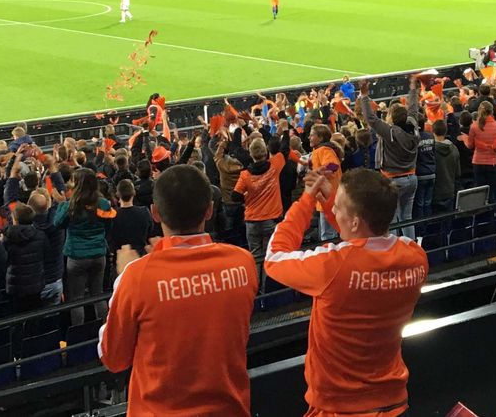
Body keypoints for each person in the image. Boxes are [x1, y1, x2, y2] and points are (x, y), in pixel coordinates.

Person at [265, 169, 428, 417]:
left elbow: (274, 257)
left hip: (339, 407)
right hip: (393, 403)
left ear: (354, 220)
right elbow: (361, 240)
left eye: (338, 208)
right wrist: (332, 199)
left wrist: (307, 200)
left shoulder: (333, 266)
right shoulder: (416, 258)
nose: (334, 212)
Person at [100, 165, 257, 417]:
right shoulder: (244, 263)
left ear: (155, 213)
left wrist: (125, 276)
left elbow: (113, 358)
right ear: (210, 209)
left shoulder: (137, 278)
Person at [360, 77, 421, 240]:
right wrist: (413, 89)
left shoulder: (391, 133)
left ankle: (393, 251)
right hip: (412, 177)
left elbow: (371, 120)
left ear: (392, 118)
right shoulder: (414, 127)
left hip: (393, 180)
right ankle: (411, 246)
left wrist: (364, 95)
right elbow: (414, 109)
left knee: (391, 220)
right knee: (407, 218)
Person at [54, 169, 114, 326]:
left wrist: (61, 203)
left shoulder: (71, 206)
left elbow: (57, 224)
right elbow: (108, 225)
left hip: (77, 257)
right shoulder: (103, 204)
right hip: (99, 254)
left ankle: (79, 337)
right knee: (98, 294)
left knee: (77, 299)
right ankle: (105, 331)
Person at [231, 137, 287, 288]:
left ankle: (256, 292)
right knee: (271, 255)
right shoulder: (274, 166)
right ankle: (269, 290)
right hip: (271, 220)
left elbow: (234, 196)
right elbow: (285, 147)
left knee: (256, 258)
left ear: (251, 154)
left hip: (252, 222)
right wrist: (285, 130)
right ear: (266, 151)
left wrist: (248, 199)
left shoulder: (245, 175)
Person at [3, 203, 47, 315]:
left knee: (16, 321)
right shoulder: (40, 236)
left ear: (15, 220)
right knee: (35, 320)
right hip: (36, 285)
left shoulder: (7, 238)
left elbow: (3, 259)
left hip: (15, 287)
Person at [465, 102, 496, 203]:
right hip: (492, 163)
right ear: (492, 111)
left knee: (479, 192)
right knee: (492, 192)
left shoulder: (474, 127)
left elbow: (470, 146)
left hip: (478, 162)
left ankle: (480, 215)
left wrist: (465, 139)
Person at [110, 179, 152, 256]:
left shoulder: (113, 215)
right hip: (140, 255)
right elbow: (150, 233)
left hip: (121, 256)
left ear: (118, 194)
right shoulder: (144, 212)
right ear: (134, 193)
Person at [431, 120, 461, 213]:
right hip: (449, 191)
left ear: (433, 131)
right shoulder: (454, 149)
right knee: (447, 222)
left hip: (434, 193)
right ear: (446, 131)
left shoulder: (431, 150)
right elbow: (458, 172)